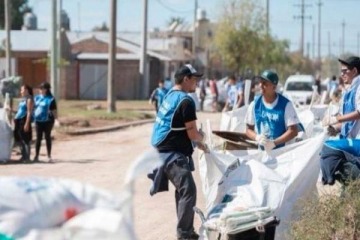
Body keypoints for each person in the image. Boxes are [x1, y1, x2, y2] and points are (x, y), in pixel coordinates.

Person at [149, 64, 207, 240]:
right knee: (189, 190)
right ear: (186, 79)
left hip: (161, 153)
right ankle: (185, 234)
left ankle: (185, 231)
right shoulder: (185, 101)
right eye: (194, 79)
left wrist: (197, 144)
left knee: (182, 191)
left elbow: (177, 128)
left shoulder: (169, 96)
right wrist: (201, 138)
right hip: (172, 155)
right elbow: (192, 132)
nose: (196, 82)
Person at [320, 56, 360, 185]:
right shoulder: (348, 91)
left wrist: (336, 118)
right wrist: (334, 128)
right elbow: (345, 122)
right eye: (341, 71)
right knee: (326, 147)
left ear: (354, 71)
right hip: (351, 142)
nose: (342, 74)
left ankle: (328, 179)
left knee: (329, 148)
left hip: (358, 142)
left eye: (345, 71)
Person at [245, 70, 303, 152]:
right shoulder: (254, 104)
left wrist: (274, 143)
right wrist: (257, 137)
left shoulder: (286, 105)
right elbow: (248, 130)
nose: (261, 85)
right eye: (261, 82)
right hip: (261, 153)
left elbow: (293, 131)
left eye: (265, 83)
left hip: (282, 154)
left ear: (274, 87)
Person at [33, 82, 58, 162]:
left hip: (48, 121)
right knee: (38, 138)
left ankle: (49, 156)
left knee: (47, 137)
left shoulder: (51, 99)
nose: (40, 90)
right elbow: (33, 108)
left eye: (42, 88)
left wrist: (56, 119)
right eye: (40, 88)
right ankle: (36, 156)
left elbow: (54, 110)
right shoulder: (36, 98)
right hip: (38, 121)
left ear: (47, 89)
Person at [13, 84, 34, 162]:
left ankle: (27, 157)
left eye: (22, 90)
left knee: (26, 139)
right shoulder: (23, 99)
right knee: (19, 139)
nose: (21, 91)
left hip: (24, 120)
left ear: (27, 90)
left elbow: (29, 112)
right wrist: (11, 110)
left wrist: (27, 123)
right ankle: (23, 155)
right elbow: (19, 111)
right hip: (18, 120)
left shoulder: (29, 99)